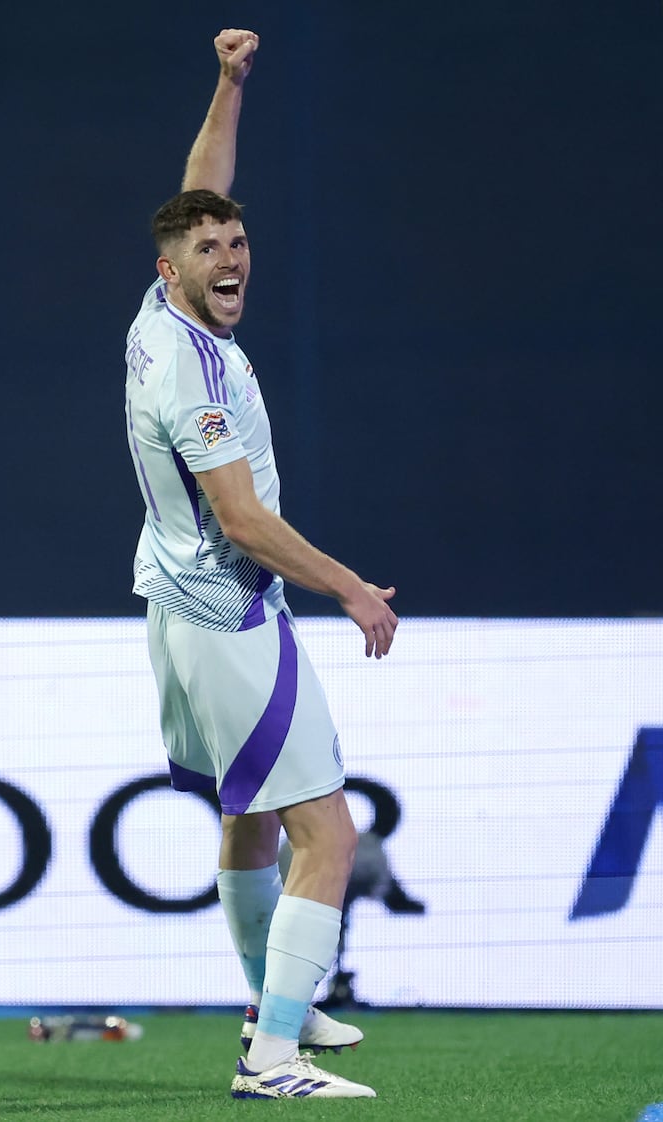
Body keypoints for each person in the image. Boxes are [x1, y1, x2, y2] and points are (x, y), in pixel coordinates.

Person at [124, 28, 398, 1100]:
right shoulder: (190, 376)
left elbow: (199, 190)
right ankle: (272, 1056)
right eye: (209, 251)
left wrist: (227, 84)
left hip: (173, 600)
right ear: (171, 269)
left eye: (236, 244)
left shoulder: (155, 310)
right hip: (231, 615)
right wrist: (350, 589)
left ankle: (271, 1007)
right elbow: (240, 519)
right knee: (324, 832)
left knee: (247, 817)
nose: (228, 257)